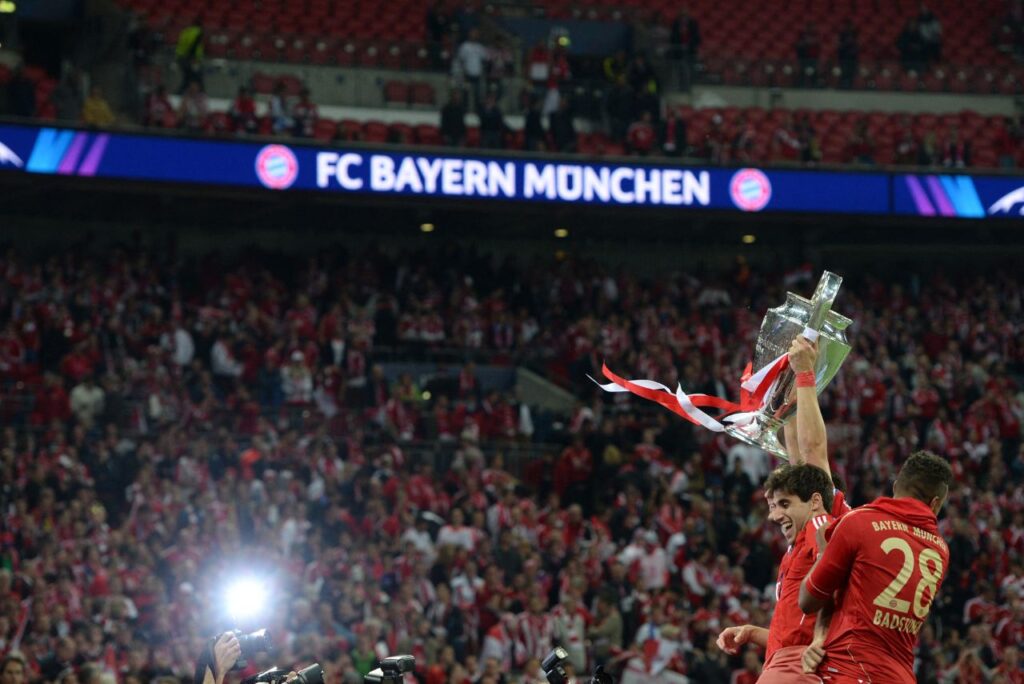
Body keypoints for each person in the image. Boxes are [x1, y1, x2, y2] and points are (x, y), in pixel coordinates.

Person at [717, 336, 848, 682]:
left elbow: (813, 452)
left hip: (796, 670)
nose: (774, 515)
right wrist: (756, 632)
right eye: (774, 505)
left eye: (784, 504)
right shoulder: (799, 542)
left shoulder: (823, 524)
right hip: (785, 663)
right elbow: (797, 459)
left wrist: (804, 375)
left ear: (816, 500)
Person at [799, 450, 954, 683]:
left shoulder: (859, 522)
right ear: (935, 503)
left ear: (895, 487)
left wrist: (823, 550)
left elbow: (808, 600)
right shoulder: (941, 550)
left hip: (850, 668)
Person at [453, 27, 487, 111]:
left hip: (477, 74)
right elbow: (461, 59)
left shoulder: (480, 47)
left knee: (477, 93)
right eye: (473, 33)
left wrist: (482, 71)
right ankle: (464, 109)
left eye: (476, 34)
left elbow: (484, 59)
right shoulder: (465, 46)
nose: (474, 35)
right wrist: (463, 71)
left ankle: (477, 110)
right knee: (466, 92)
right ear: (469, 34)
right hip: (467, 73)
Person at [175, 20, 205, 93]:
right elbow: (194, 46)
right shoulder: (198, 32)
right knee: (195, 76)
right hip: (191, 58)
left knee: (188, 76)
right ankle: (200, 92)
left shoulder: (186, 31)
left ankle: (181, 92)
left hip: (180, 56)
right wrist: (193, 58)